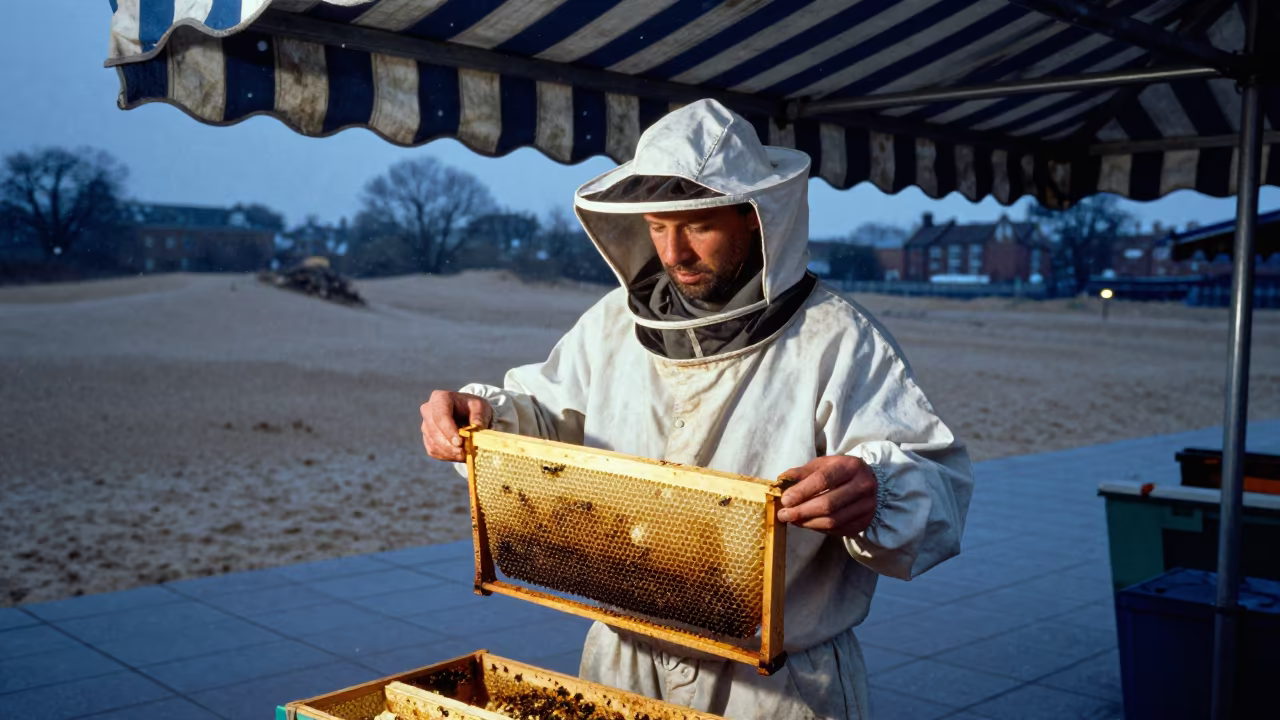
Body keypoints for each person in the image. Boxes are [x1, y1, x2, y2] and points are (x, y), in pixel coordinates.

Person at [422, 99, 973, 720]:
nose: (674, 252)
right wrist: (484, 418)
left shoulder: (838, 339)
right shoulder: (610, 324)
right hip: (620, 659)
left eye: (698, 226)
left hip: (773, 686)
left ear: (756, 218)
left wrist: (878, 489)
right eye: (659, 227)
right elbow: (547, 416)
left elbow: (940, 484)